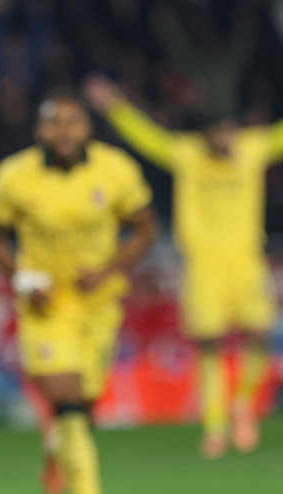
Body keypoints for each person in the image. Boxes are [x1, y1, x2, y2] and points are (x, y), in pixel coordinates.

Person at [83, 74, 283, 458]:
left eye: (229, 132)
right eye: (217, 134)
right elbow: (148, 138)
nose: (224, 140)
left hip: (246, 261)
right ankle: (215, 426)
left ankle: (242, 405)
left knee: (260, 334)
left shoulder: (252, 148)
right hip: (203, 265)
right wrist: (116, 107)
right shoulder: (187, 153)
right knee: (209, 346)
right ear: (205, 135)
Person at [0, 91, 157, 494]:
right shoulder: (13, 176)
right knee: (67, 396)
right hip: (47, 306)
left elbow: (145, 228)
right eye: (54, 123)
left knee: (85, 404)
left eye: (73, 122)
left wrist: (108, 271)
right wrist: (22, 279)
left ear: (87, 127)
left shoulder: (116, 168)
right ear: (39, 130)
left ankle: (57, 452)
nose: (64, 131)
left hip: (99, 304)